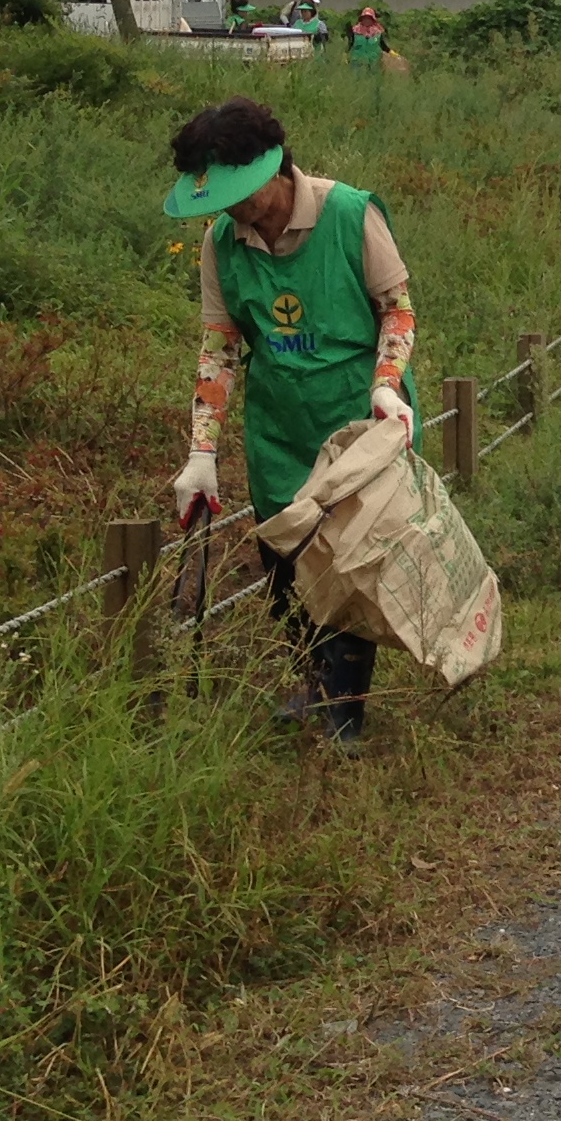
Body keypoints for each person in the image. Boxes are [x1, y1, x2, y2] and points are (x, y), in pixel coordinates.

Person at [164, 96, 419, 747]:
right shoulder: (222, 243)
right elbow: (218, 346)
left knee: (350, 569)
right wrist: (202, 453)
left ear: (273, 168)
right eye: (219, 199)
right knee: (284, 571)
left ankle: (345, 712)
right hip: (280, 430)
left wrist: (387, 387)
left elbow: (397, 309)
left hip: (358, 427)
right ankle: (312, 681)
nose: (234, 210)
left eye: (239, 194)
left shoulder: (349, 214)